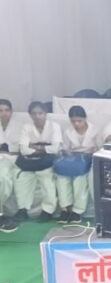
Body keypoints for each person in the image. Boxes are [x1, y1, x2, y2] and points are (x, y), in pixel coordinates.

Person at [14, 102, 62, 223]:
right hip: (29, 161)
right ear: (30, 115)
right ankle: (22, 209)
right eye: (34, 113)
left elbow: (56, 149)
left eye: (40, 113)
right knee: (22, 179)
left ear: (45, 113)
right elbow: (23, 150)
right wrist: (44, 148)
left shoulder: (54, 126)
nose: (37, 116)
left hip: (47, 161)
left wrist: (36, 147)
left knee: (47, 180)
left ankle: (47, 211)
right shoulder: (26, 127)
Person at [55, 106, 99, 224]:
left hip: (88, 159)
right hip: (72, 159)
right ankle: (65, 209)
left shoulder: (94, 130)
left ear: (85, 118)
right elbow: (65, 148)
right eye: (73, 121)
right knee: (62, 177)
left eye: (79, 121)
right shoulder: (68, 131)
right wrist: (70, 154)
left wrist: (88, 153)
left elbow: (99, 148)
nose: (76, 124)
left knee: (80, 178)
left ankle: (77, 211)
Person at [0, 99, 19, 232]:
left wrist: (6, 150)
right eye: (0, 110)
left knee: (4, 178)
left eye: (7, 110)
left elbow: (20, 148)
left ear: (11, 112)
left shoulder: (19, 126)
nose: (4, 113)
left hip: (11, 159)